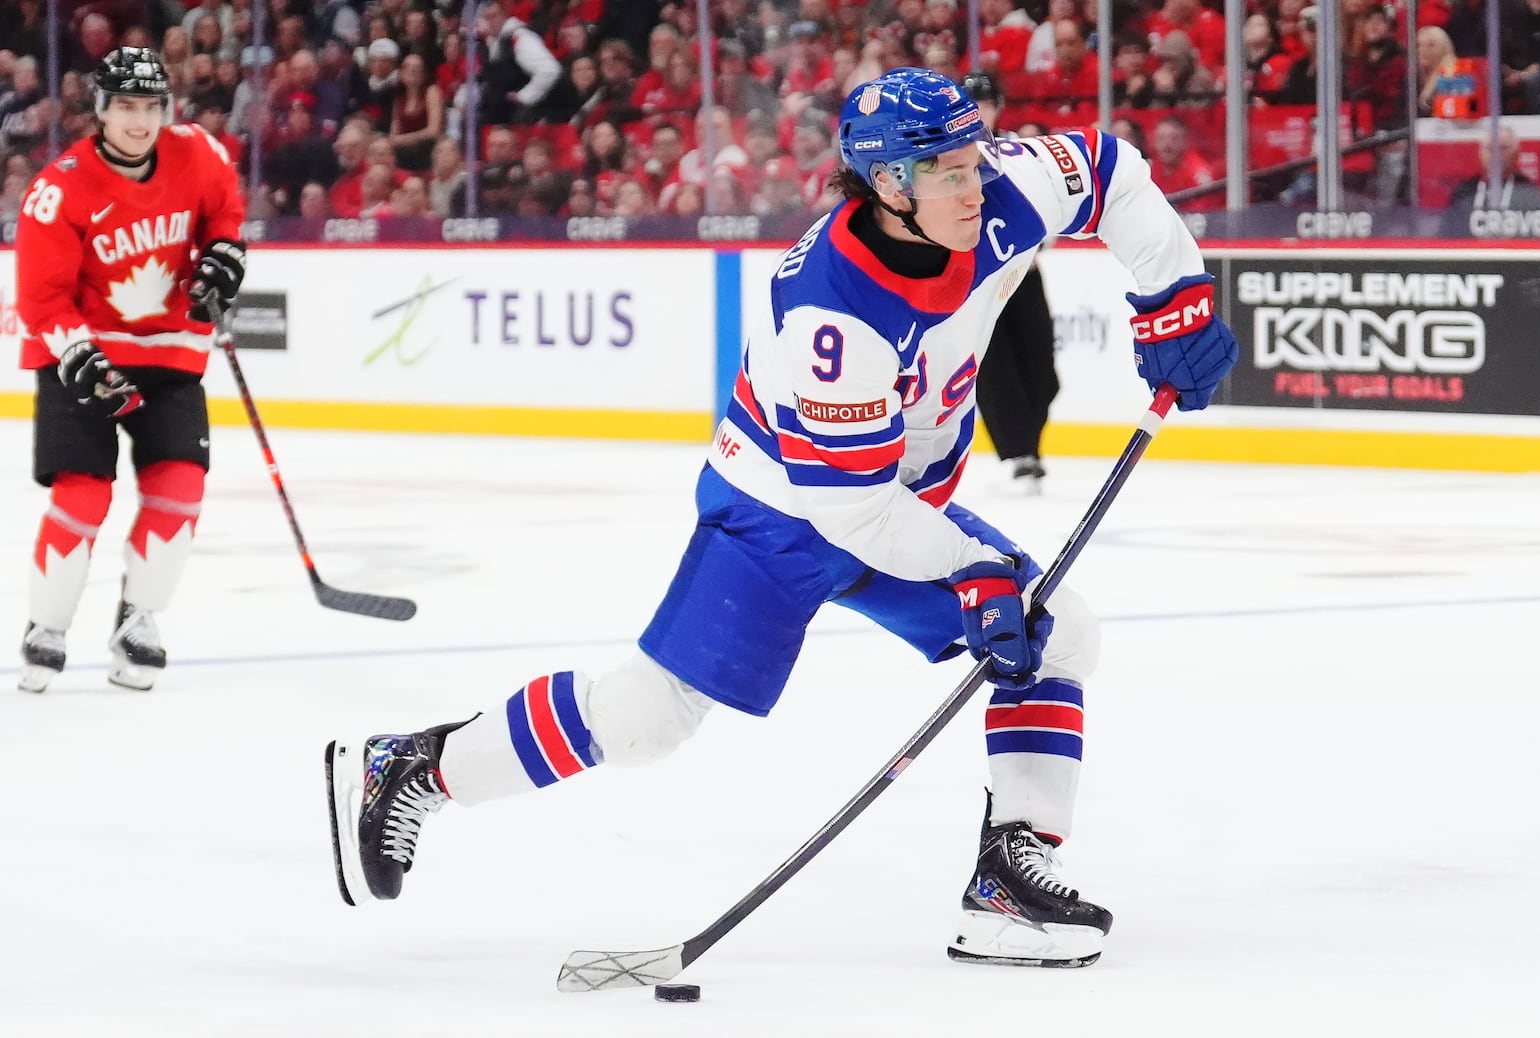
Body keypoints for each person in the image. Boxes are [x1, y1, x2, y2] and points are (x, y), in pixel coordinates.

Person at [325, 68, 1237, 969]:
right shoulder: (830, 315)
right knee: (646, 722)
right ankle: (413, 767)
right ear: (889, 187)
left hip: (892, 501)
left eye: (975, 160)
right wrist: (977, 569)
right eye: (951, 172)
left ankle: (1007, 886)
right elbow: (857, 516)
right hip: (783, 511)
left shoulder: (998, 187)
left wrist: (1177, 299)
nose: (979, 182)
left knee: (1058, 634)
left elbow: (1113, 176)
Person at [14, 47, 246, 694]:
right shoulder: (57, 190)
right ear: (101, 111)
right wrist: (77, 354)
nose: (139, 121)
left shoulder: (198, 151)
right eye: (125, 107)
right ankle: (48, 625)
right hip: (82, 354)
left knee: (180, 489)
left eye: (150, 107)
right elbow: (41, 296)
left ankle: (139, 617)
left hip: (170, 349)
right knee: (83, 494)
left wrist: (226, 251)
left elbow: (224, 210)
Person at [964, 71, 1060, 492]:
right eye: (972, 101)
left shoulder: (1017, 151)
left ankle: (1031, 445)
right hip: (979, 277)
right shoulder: (948, 156)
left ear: (998, 105)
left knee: (1041, 366)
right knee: (995, 367)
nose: (980, 109)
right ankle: (1020, 451)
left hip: (1025, 271)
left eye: (985, 101)